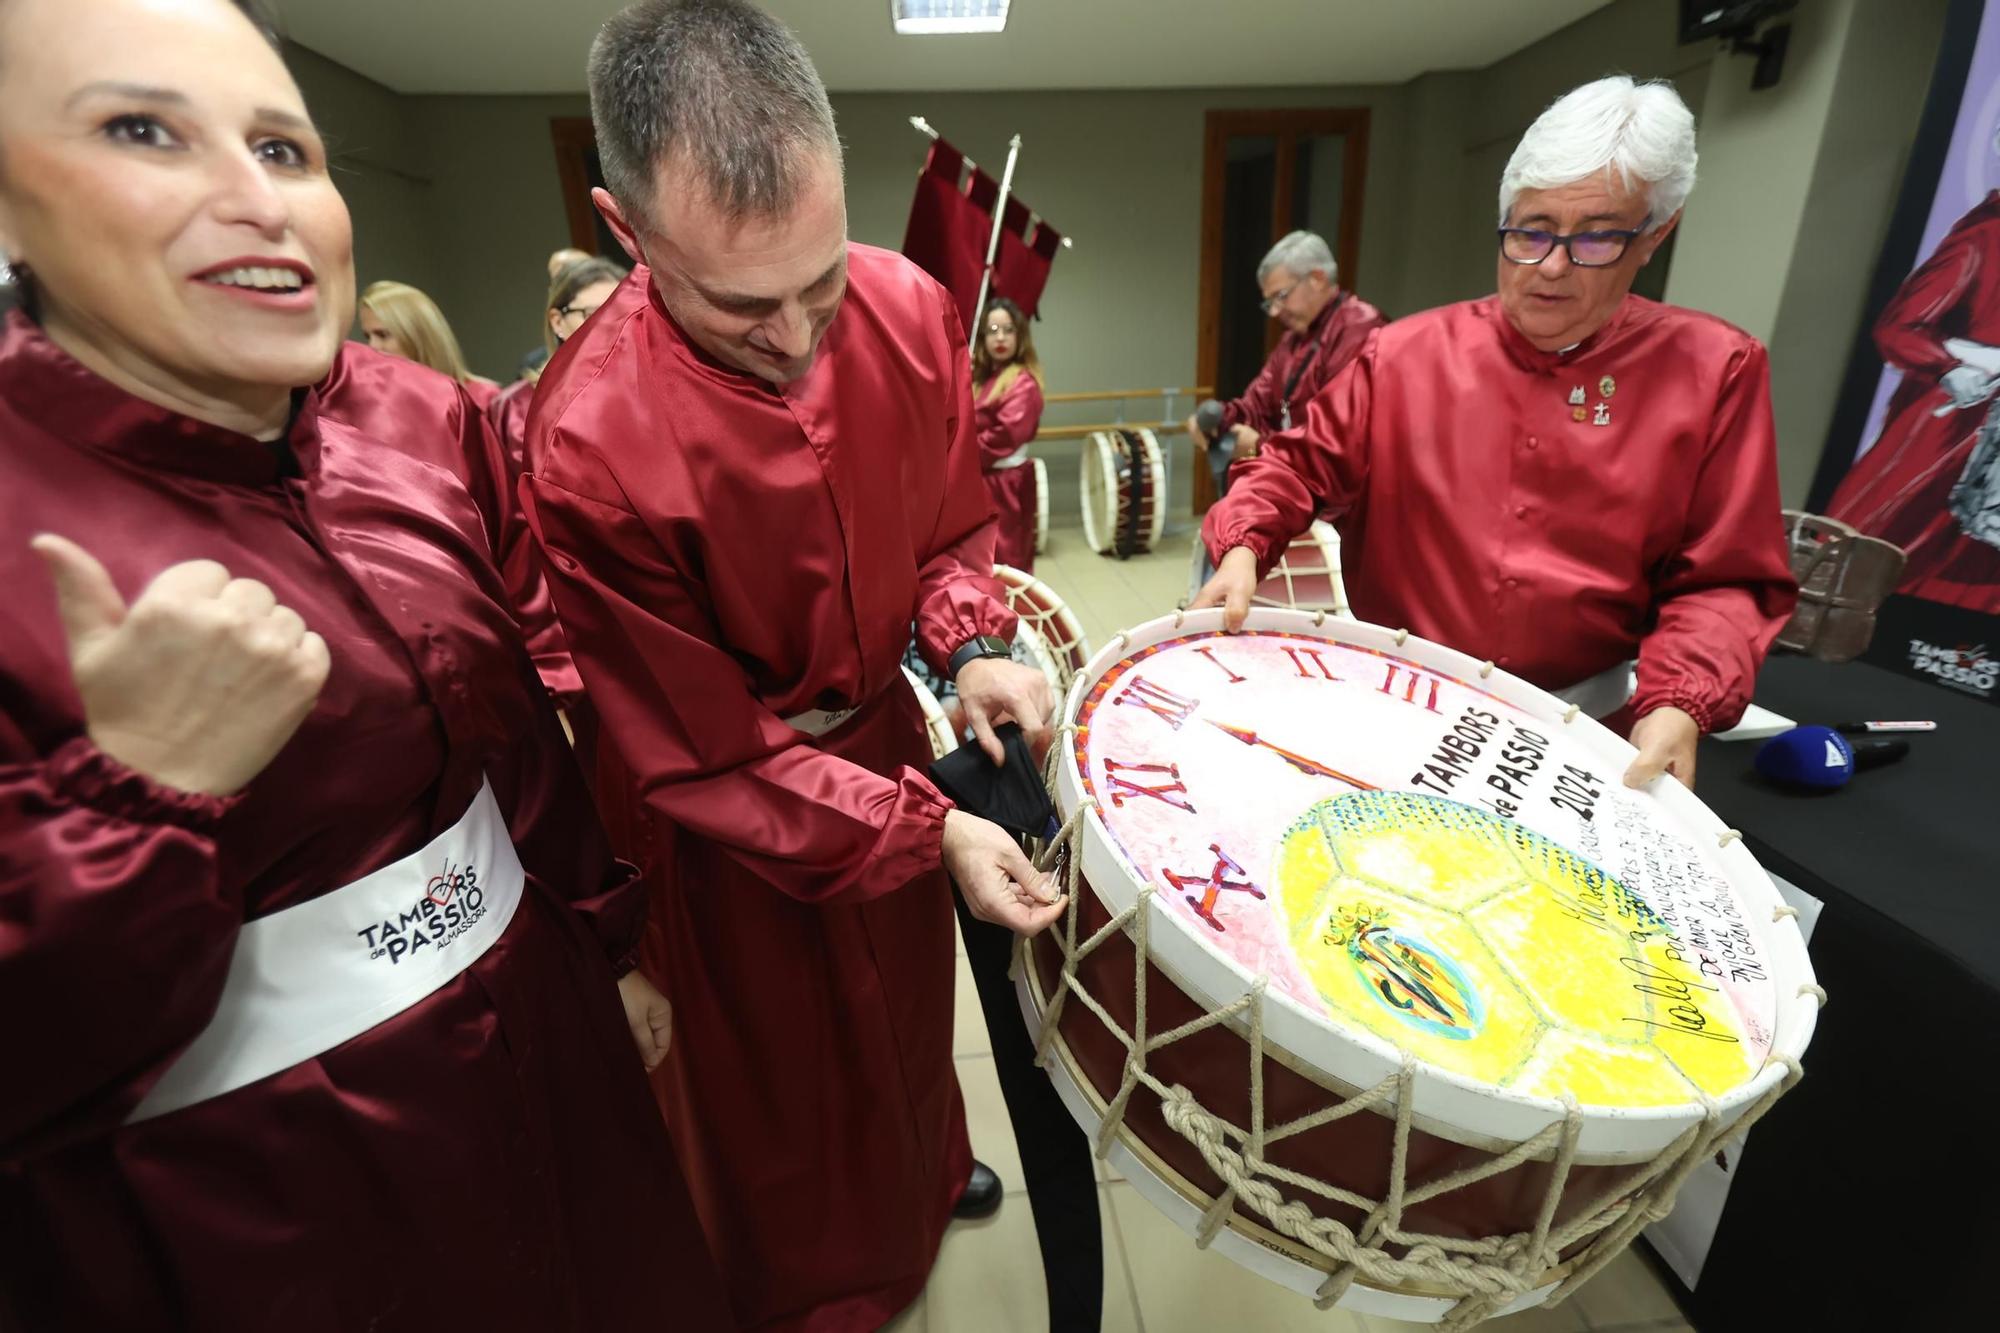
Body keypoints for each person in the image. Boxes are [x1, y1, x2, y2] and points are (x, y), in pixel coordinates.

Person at [0, 3, 731, 1329]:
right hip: (250, 1191)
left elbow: (517, 738)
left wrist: (605, 944)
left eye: (285, 151)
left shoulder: (414, 425)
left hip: (548, 1046)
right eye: (142, 131)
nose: (252, 198)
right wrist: (140, 794)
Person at [520, 2, 1066, 1328]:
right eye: (741, 305)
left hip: (881, 735)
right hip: (719, 807)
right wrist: (924, 830)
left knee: (907, 1021)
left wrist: (972, 640)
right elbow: (703, 747)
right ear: (626, 229)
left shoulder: (904, 303)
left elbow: (948, 523)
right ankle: (826, 1286)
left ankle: (927, 1178)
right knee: (783, 1077)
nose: (800, 336)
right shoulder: (585, 439)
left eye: (819, 281)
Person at [1194, 76, 1797, 790]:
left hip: (1585, 730)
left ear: (1655, 233)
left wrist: (1682, 700)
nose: (1550, 266)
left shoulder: (1715, 368)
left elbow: (1726, 575)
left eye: (1597, 237)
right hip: (1395, 702)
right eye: (1531, 231)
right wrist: (1243, 545)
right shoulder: (1407, 353)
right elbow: (1296, 467)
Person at [1826, 190, 2000, 612]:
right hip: (1945, 437)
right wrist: (1948, 370)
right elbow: (1899, 328)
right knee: (1864, 562)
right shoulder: (1985, 235)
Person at [1186, 229, 1383, 464]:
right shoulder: (1293, 339)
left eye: (1282, 295)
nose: (1276, 311)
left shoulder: (1360, 330)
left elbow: (1339, 440)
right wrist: (1216, 419)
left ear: (1318, 278)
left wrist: (1259, 447)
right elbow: (1257, 406)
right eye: (1270, 302)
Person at [489, 254, 628, 477]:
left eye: (620, 312)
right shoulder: (519, 407)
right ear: (557, 322)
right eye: (592, 314)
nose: (608, 325)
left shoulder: (647, 386)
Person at [971, 296, 1045, 571]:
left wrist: (956, 457)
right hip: (982, 481)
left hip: (1006, 485)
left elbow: (1003, 436)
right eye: (992, 331)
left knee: (1007, 562)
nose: (1000, 337)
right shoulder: (982, 379)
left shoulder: (1023, 383)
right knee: (982, 562)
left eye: (1008, 330)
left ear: (1020, 335)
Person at [358, 277, 500, 407]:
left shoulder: (481, 399)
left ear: (417, 336)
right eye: (367, 337)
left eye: (383, 335)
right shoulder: (374, 404)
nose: (372, 347)